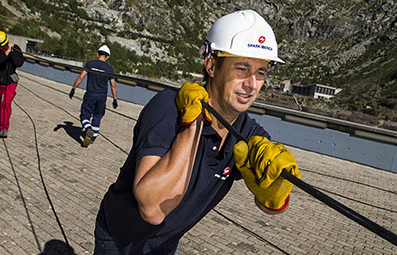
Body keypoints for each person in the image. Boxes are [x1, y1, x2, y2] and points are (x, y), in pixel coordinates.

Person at [93, 10, 302, 254]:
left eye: (261, 72)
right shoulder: (169, 107)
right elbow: (152, 209)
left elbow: (269, 205)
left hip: (166, 243)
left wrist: (275, 191)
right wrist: (191, 125)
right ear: (212, 65)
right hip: (119, 239)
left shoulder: (248, 133)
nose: (252, 84)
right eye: (242, 69)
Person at [69, 45, 118, 147]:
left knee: (85, 114)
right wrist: (115, 99)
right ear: (108, 57)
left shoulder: (90, 64)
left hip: (90, 93)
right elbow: (113, 86)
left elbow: (81, 77)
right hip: (102, 96)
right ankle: (92, 137)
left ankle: (87, 130)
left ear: (97, 53)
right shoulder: (109, 69)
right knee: (98, 116)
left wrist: (73, 89)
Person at [0, 31, 25, 138]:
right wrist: (6, 53)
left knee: (6, 104)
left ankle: (4, 127)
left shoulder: (14, 48)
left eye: (3, 44)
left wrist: (11, 52)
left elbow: (19, 63)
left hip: (9, 81)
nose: (2, 47)